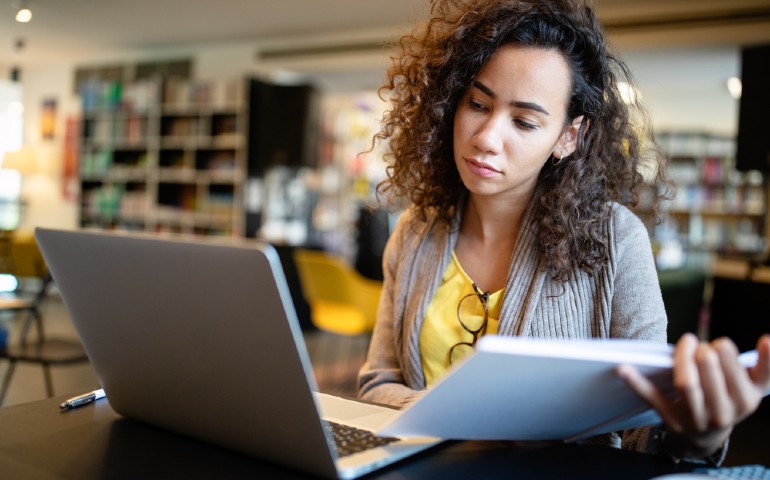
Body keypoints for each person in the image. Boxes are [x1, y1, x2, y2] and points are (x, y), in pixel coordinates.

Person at [356, 0, 770, 465]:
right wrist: (456, 425)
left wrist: (700, 436)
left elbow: (643, 427)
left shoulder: (616, 240)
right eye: (477, 103)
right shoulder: (415, 232)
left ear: (567, 137)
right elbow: (377, 382)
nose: (487, 137)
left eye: (525, 121)